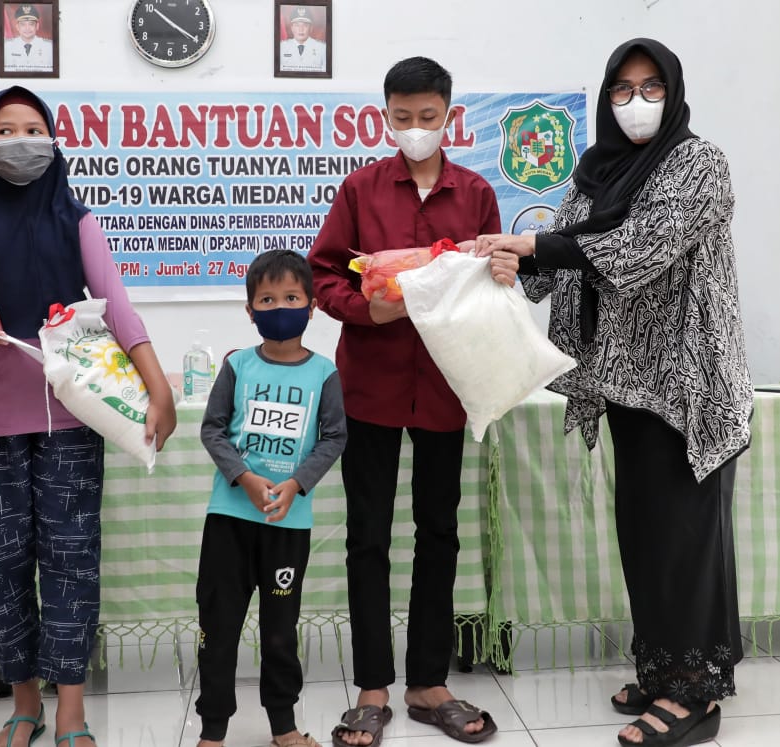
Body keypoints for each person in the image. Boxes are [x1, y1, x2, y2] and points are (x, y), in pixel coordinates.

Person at [478, 38, 752, 747]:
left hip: (688, 387)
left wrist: (536, 250)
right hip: (625, 384)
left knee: (685, 539)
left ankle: (694, 694)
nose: (636, 102)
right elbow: (556, 257)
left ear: (674, 92)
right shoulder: (595, 172)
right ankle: (663, 670)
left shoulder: (699, 164)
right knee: (647, 535)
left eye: (651, 87)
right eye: (622, 89)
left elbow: (639, 249)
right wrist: (501, 263)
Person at [0, 85, 176, 747]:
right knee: (2, 564)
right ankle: (25, 706)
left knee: (71, 557)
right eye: (5, 129)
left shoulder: (73, 217)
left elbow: (116, 305)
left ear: (52, 140)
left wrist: (158, 385)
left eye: (32, 128)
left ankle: (71, 711)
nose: (20, 140)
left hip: (70, 413)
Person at [307, 56, 501, 746]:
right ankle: (371, 685)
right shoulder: (360, 189)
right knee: (367, 535)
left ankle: (427, 682)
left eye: (428, 116)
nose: (415, 128)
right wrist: (368, 309)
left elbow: (491, 284)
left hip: (446, 384)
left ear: (450, 116)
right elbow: (323, 274)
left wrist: (502, 273)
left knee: (438, 531)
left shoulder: (476, 192)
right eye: (402, 117)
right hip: (371, 385)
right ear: (384, 116)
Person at [195, 249, 347, 747]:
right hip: (229, 521)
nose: (279, 307)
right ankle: (213, 731)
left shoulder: (324, 373)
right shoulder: (237, 366)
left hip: (288, 526)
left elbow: (334, 437)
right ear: (250, 310)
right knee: (218, 627)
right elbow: (213, 429)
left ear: (312, 307)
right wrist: (244, 477)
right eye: (266, 299)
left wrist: (297, 483)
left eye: (291, 298)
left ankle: (284, 726)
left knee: (281, 632)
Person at [4, 3, 54, 73]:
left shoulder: (49, 47)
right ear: (17, 27)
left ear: (37, 26)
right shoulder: (7, 46)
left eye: (31, 24)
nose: (27, 28)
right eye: (23, 24)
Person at [278, 6, 327, 73]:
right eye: (297, 25)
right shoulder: (282, 47)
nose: (301, 29)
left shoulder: (322, 48)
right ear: (292, 28)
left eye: (305, 25)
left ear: (311, 28)